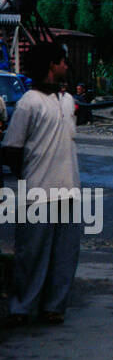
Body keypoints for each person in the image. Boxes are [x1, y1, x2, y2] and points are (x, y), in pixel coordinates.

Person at [2, 41, 79, 328]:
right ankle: (22, 306)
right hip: (38, 193)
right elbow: (12, 149)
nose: (66, 67)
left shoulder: (67, 101)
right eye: (62, 62)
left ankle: (53, 307)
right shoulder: (28, 103)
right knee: (31, 255)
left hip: (69, 190)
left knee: (64, 256)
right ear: (51, 66)